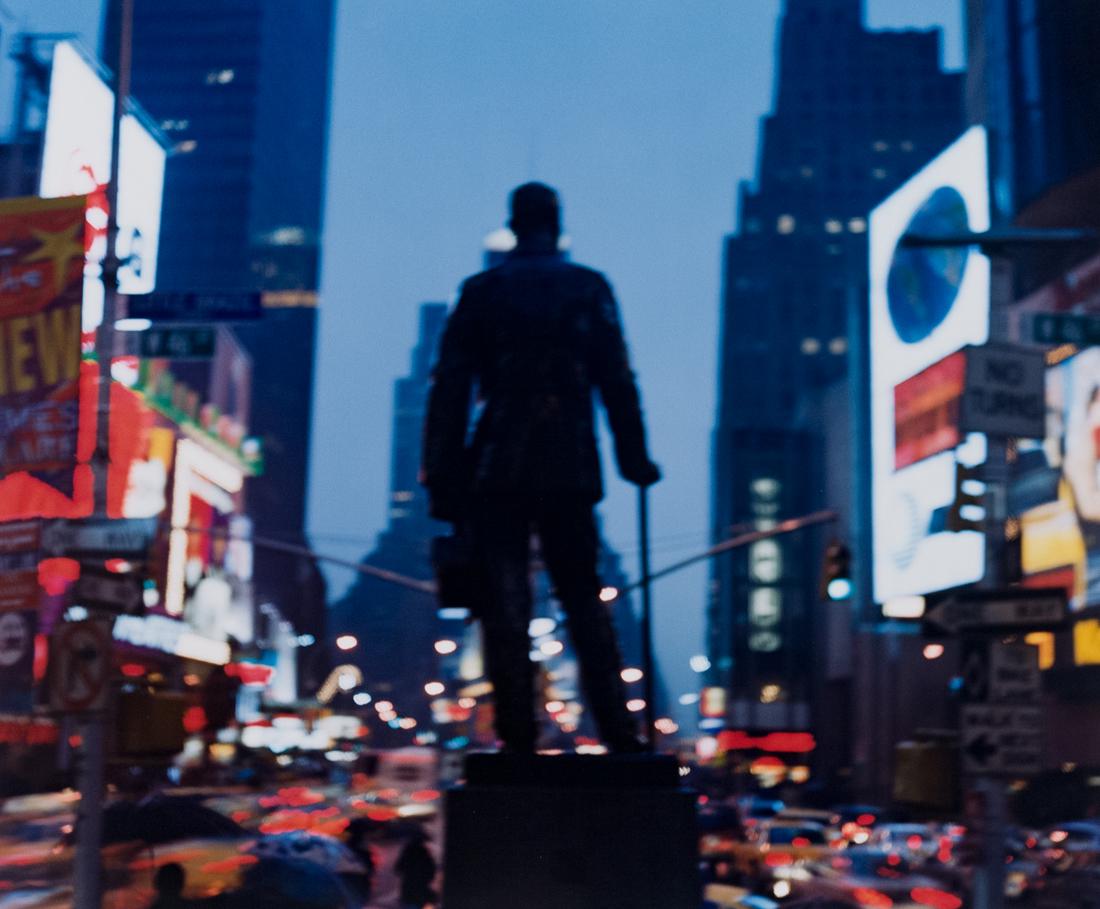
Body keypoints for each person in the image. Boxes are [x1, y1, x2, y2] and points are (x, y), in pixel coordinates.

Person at [422, 182, 661, 753]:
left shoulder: (482, 292)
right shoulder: (587, 287)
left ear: (513, 223)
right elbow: (617, 379)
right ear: (556, 223)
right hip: (568, 463)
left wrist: (444, 476)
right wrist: (634, 456)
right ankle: (620, 735)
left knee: (504, 603)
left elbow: (449, 391)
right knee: (584, 598)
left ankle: (517, 737)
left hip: (497, 464)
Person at [394, 829, 437, 909]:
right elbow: (432, 871)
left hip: (408, 890)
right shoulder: (425, 854)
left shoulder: (407, 852)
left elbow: (398, 868)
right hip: (421, 891)